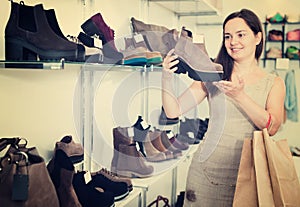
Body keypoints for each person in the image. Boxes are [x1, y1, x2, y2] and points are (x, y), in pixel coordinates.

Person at [161, 9, 285, 206]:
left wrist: (239, 96)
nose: (233, 42)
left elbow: (272, 126)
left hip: (250, 177)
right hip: (206, 174)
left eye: (240, 35)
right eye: (228, 36)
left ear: (258, 37)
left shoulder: (273, 83)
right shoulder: (212, 74)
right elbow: (173, 111)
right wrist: (166, 77)